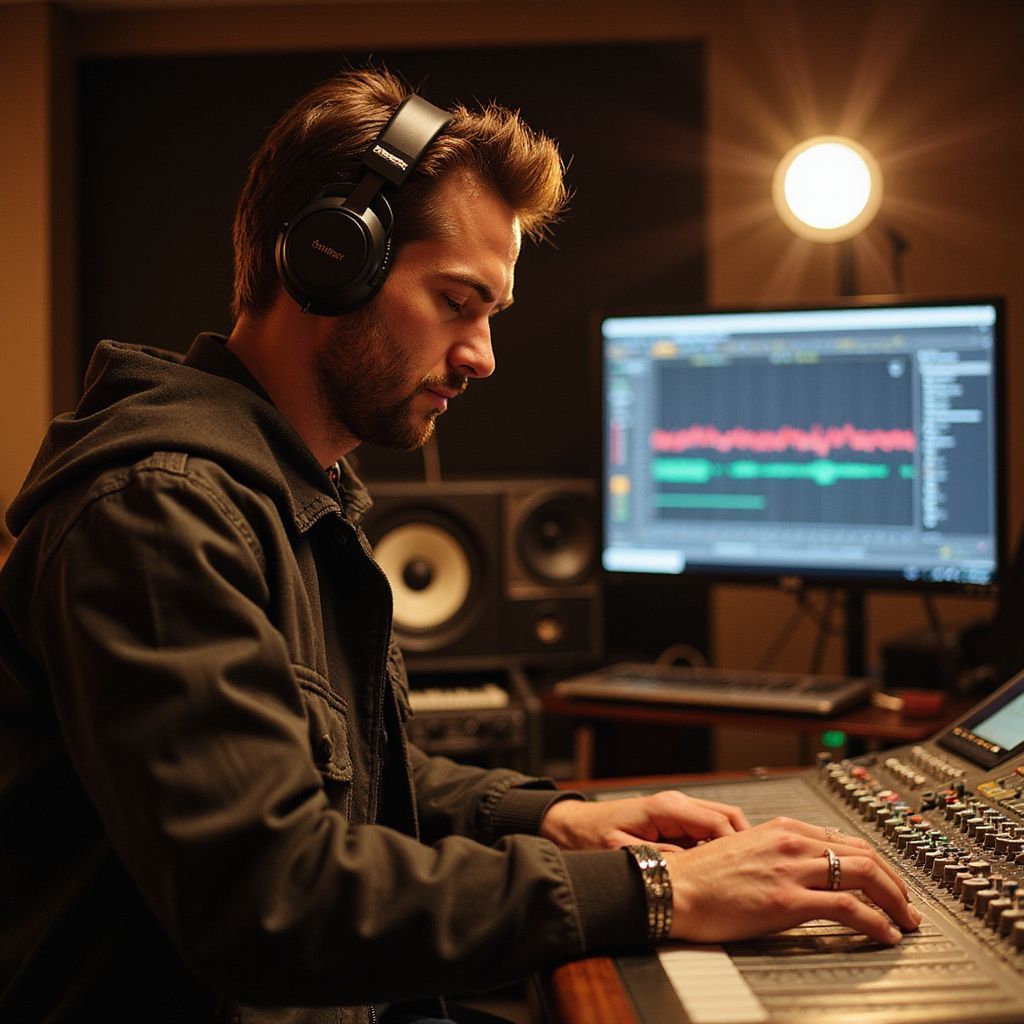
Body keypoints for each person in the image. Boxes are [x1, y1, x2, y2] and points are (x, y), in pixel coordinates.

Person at [0, 67, 919, 1024]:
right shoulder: (159, 511)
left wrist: (557, 817)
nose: (482, 355)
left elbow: (349, 787)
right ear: (327, 260)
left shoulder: (288, 491)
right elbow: (274, 899)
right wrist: (659, 888)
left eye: (490, 313)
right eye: (456, 301)